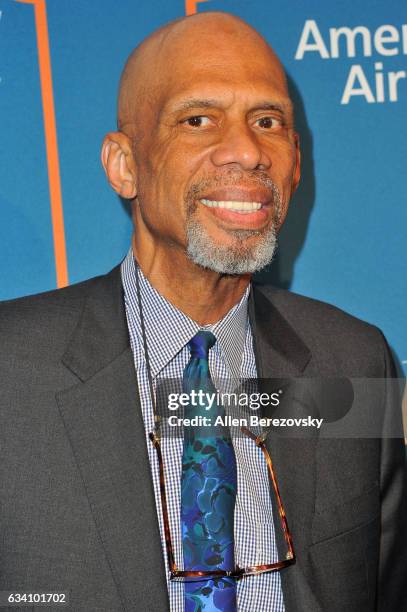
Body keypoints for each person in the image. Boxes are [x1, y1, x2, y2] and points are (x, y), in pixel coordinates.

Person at [0, 11, 405, 612]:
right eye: (198, 120)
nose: (247, 151)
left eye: (267, 121)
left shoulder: (356, 359)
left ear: (295, 159)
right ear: (125, 165)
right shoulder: (11, 368)